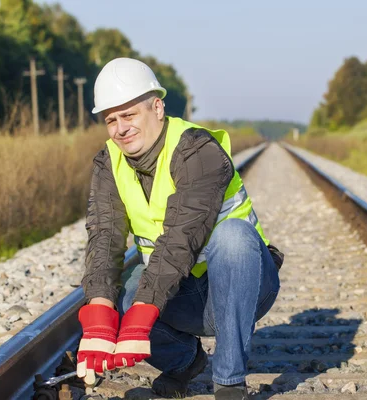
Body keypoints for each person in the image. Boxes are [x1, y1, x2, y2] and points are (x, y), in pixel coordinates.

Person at [76, 57, 283, 400]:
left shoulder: (198, 150)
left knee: (232, 237)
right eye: (111, 120)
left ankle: (229, 383)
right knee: (123, 292)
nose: (120, 128)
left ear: (157, 108)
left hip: (245, 285)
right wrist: (99, 314)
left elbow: (180, 239)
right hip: (184, 295)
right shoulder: (108, 163)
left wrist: (143, 314)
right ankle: (186, 361)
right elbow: (104, 238)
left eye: (129, 115)